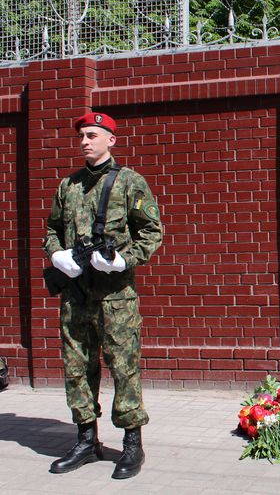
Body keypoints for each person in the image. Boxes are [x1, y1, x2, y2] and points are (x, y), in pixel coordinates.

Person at [44, 112, 163, 479]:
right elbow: (52, 229)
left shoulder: (130, 183)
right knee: (77, 369)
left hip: (116, 297)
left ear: (111, 139)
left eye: (92, 135)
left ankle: (131, 443)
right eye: (81, 135)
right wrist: (57, 256)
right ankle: (86, 440)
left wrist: (123, 260)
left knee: (124, 369)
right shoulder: (69, 186)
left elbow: (152, 231)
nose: (84, 141)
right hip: (76, 296)